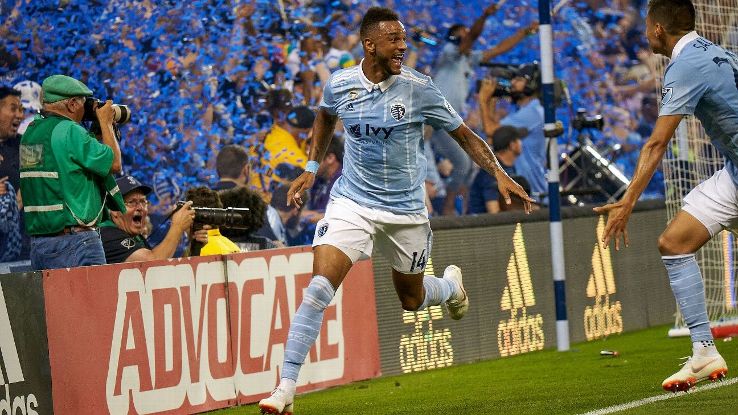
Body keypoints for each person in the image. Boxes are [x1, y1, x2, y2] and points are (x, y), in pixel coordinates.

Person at [258, 7, 532, 414]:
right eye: (394, 40)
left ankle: (450, 287)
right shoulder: (340, 84)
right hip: (352, 202)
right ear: (370, 45)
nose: (403, 46)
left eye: (404, 39)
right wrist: (312, 168)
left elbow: (464, 135)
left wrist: (499, 173)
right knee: (318, 288)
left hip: (406, 212)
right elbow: (325, 117)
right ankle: (285, 388)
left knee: (411, 298)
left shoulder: (420, 89)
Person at [594, 0, 732, 392]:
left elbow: (656, 143)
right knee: (673, 243)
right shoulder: (717, 52)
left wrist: (627, 202)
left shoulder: (685, 65)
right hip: (734, 175)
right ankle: (704, 350)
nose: (645, 33)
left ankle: (704, 349)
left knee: (673, 243)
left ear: (657, 30)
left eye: (646, 26)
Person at [432, 3, 538, 215]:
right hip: (436, 119)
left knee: (470, 166)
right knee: (463, 164)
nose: (468, 37)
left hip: (451, 119)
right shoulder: (449, 52)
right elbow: (470, 38)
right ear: (454, 39)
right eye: (463, 35)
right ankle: (448, 209)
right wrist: (484, 17)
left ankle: (462, 210)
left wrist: (523, 33)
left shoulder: (468, 58)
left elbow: (497, 50)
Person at [20, 75, 123, 270]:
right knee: (94, 300)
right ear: (73, 104)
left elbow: (63, 167)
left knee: (54, 302)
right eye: (84, 102)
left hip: (41, 244)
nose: (87, 108)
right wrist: (107, 123)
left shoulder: (31, 132)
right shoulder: (70, 131)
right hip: (76, 241)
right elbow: (115, 164)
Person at [482, 64, 547, 201]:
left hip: (534, 191)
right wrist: (492, 102)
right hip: (525, 187)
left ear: (532, 83)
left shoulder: (533, 111)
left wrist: (482, 100)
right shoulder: (522, 110)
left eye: (518, 79)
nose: (512, 83)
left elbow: (491, 131)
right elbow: (493, 138)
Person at [100, 175, 200, 263]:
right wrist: (177, 227)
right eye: (132, 202)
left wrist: (195, 244)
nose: (140, 207)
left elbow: (166, 269)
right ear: (114, 210)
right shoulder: (106, 235)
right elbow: (152, 264)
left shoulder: (135, 237)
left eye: (143, 201)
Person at [468, 125, 526, 214]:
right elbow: (493, 212)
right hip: (481, 225)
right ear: (512, 145)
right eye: (519, 140)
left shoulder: (508, 167)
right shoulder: (492, 172)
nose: (521, 143)